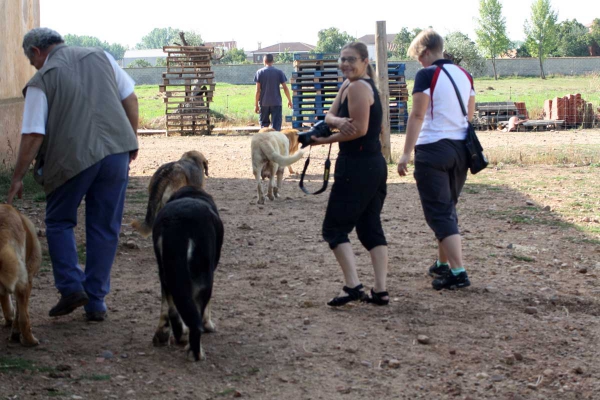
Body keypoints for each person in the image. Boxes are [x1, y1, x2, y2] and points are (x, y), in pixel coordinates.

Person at [6, 28, 139, 322]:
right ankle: (96, 302)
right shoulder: (102, 56)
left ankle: (70, 287)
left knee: (58, 220)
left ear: (37, 52)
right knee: (105, 227)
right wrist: (131, 141)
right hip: (117, 152)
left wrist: (17, 177)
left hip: (73, 157)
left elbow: (32, 133)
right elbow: (131, 99)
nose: (34, 67)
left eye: (32, 61)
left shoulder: (42, 79)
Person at [311, 42, 389, 307]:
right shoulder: (351, 84)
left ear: (365, 61)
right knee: (369, 228)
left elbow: (359, 130)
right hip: (373, 166)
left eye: (351, 59)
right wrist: (335, 122)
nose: (345, 64)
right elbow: (330, 114)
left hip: (357, 166)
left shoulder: (356, 87)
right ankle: (380, 291)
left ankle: (353, 286)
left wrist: (319, 141)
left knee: (333, 229)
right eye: (342, 59)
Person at [397, 29, 474, 290]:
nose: (418, 62)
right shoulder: (465, 75)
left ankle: (458, 271)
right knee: (447, 207)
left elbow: (417, 116)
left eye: (418, 56)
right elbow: (469, 115)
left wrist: (406, 153)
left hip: (432, 149)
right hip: (461, 150)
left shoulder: (427, 74)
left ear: (427, 51)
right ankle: (443, 264)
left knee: (439, 212)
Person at [254, 54, 292, 131]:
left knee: (264, 127)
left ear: (264, 61)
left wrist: (256, 105)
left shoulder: (259, 72)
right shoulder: (279, 72)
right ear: (273, 61)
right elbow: (285, 88)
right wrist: (289, 100)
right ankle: (275, 142)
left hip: (264, 103)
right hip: (276, 103)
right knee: (276, 127)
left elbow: (258, 91)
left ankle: (265, 142)